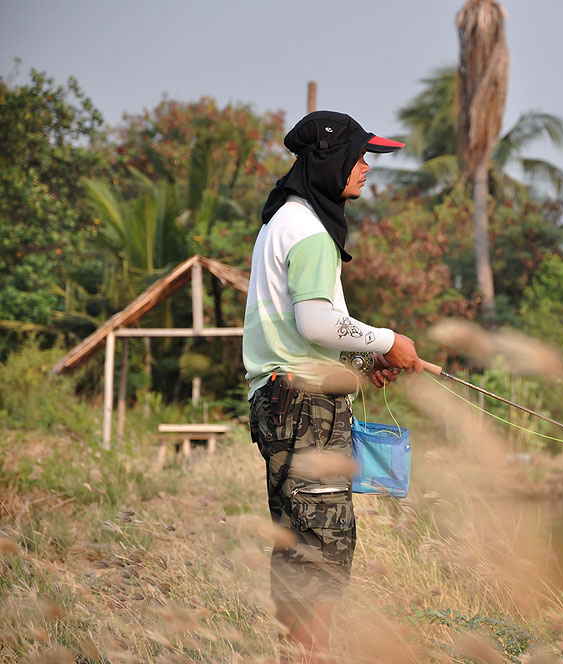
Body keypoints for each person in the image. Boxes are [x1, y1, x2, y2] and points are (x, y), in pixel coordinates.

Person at [242, 110, 423, 663]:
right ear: (329, 160)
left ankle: (297, 655)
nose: (366, 167)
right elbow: (315, 322)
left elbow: (306, 332)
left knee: (298, 549)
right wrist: (386, 338)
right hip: (306, 407)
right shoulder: (310, 232)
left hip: (280, 400)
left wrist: (364, 361)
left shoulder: (282, 222)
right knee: (323, 551)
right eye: (359, 156)